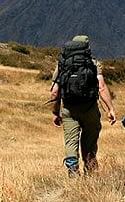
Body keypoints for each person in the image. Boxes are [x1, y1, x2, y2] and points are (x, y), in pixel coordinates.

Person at [50, 35, 116, 174]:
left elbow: (55, 92)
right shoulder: (93, 64)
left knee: (70, 141)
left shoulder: (62, 65)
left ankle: (73, 170)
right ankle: (90, 168)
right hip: (90, 108)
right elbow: (102, 87)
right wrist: (110, 109)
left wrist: (56, 112)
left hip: (69, 109)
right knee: (90, 140)